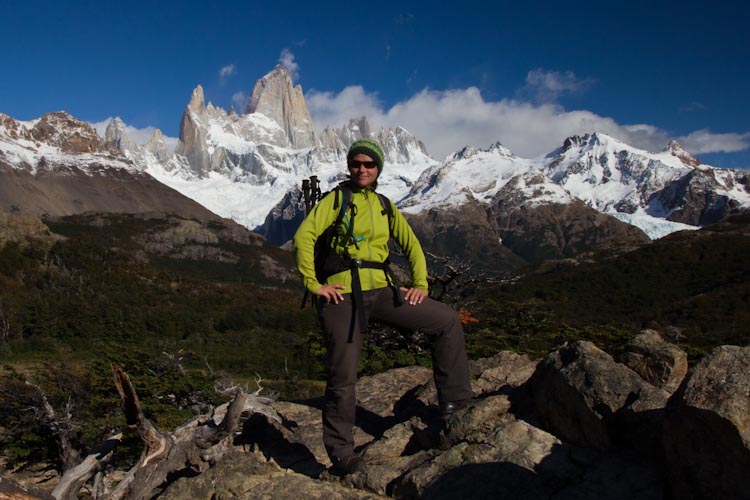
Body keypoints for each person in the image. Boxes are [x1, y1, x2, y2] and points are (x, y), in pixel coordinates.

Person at [293, 139, 473, 475]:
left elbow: (411, 245)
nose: (362, 169)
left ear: (378, 169)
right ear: (350, 167)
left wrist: (421, 285)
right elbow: (305, 236)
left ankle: (455, 405)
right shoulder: (337, 200)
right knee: (342, 374)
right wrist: (314, 284)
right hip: (342, 295)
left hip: (382, 290)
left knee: (446, 320)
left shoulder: (385, 205)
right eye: (356, 163)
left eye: (369, 164)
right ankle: (341, 452)